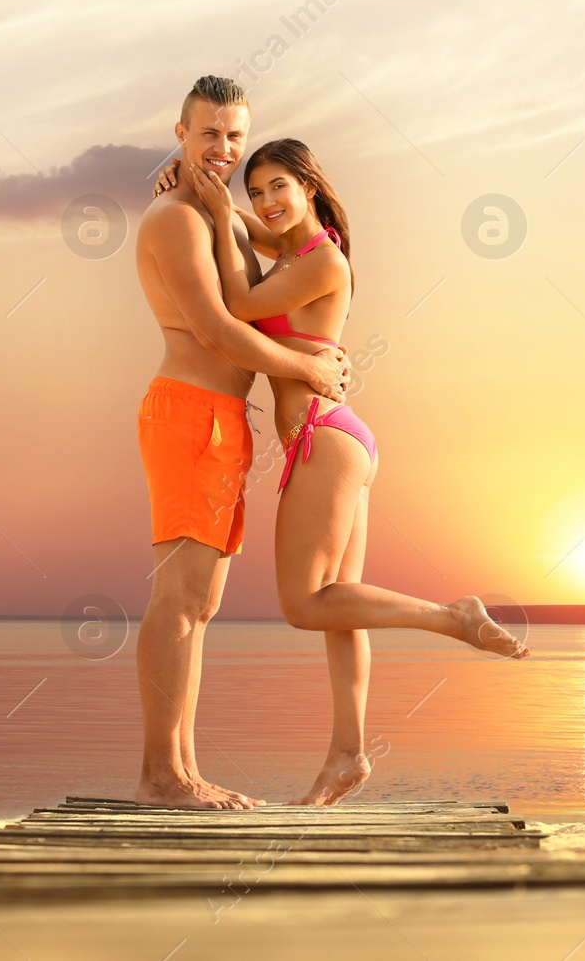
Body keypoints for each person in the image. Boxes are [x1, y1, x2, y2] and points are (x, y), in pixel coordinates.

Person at [157, 140, 529, 806]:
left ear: (309, 185)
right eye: (257, 192)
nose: (266, 203)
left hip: (323, 441)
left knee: (305, 602)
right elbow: (237, 228)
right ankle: (349, 751)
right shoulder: (294, 252)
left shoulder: (321, 258)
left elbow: (238, 303)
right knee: (340, 605)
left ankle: (454, 614)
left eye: (278, 187)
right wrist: (193, 184)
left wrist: (213, 208)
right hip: (340, 437)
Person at [133, 77, 351, 810]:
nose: (224, 150)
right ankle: (160, 774)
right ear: (181, 132)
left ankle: (183, 771)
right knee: (178, 599)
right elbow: (221, 328)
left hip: (225, 420)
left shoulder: (215, 216)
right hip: (190, 412)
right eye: (209, 135)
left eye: (234, 136)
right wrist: (311, 367)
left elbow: (268, 255)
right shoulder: (176, 221)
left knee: (201, 604)